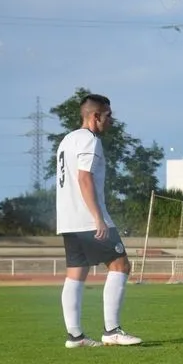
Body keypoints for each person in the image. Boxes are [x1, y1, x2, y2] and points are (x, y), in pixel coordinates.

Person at [55, 93, 142, 348]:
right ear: (95, 116)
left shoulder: (67, 140)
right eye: (108, 116)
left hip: (68, 220)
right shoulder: (89, 140)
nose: (111, 120)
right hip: (88, 219)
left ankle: (75, 336)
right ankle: (112, 330)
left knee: (75, 275)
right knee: (120, 266)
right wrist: (97, 218)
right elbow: (84, 179)